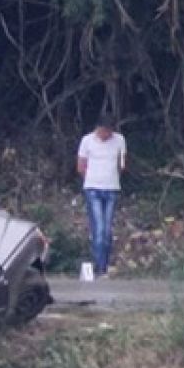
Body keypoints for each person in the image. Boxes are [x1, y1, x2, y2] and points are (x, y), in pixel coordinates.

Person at [77, 115, 126, 279]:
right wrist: (92, 179)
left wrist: (111, 177)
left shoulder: (119, 140)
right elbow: (81, 166)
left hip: (111, 188)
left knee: (107, 229)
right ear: (98, 129)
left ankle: (104, 264)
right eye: (104, 131)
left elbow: (121, 165)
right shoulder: (87, 141)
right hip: (93, 189)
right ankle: (99, 267)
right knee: (98, 229)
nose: (107, 135)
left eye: (109, 132)